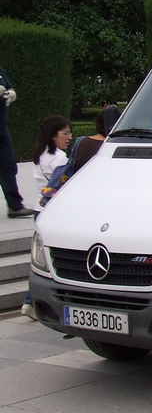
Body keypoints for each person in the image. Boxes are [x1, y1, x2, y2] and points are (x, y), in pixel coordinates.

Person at [22, 115, 73, 318]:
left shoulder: (39, 155)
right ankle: (32, 301)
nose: (69, 137)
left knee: (42, 259)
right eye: (65, 133)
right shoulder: (60, 158)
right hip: (55, 211)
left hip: (40, 209)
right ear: (53, 135)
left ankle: (30, 302)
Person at [0, 67, 34, 218]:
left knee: (8, 166)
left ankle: (14, 206)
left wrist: (11, 93)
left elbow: (9, 86)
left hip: (1, 130)